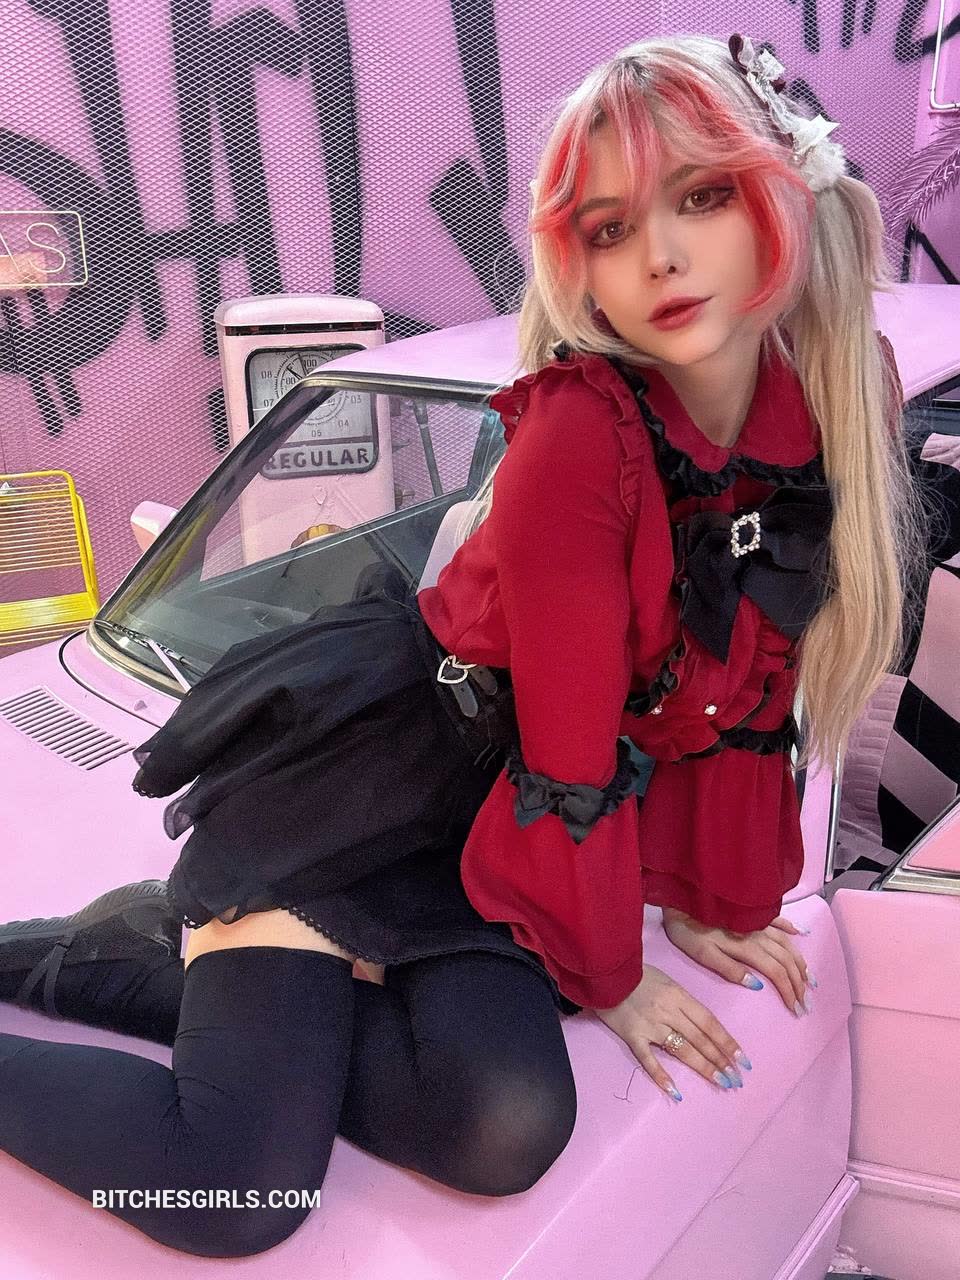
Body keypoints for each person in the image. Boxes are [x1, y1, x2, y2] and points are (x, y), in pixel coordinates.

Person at [0, 32, 927, 1257]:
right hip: (368, 784)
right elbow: (574, 749)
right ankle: (182, 965)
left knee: (505, 1123)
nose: (659, 255)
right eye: (609, 228)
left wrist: (707, 897)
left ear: (780, 197)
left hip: (491, 823)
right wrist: (616, 974)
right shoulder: (583, 435)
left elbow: (743, 691)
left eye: (702, 197)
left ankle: (167, 976)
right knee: (235, 1188)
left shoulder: (826, 398)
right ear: (578, 265)